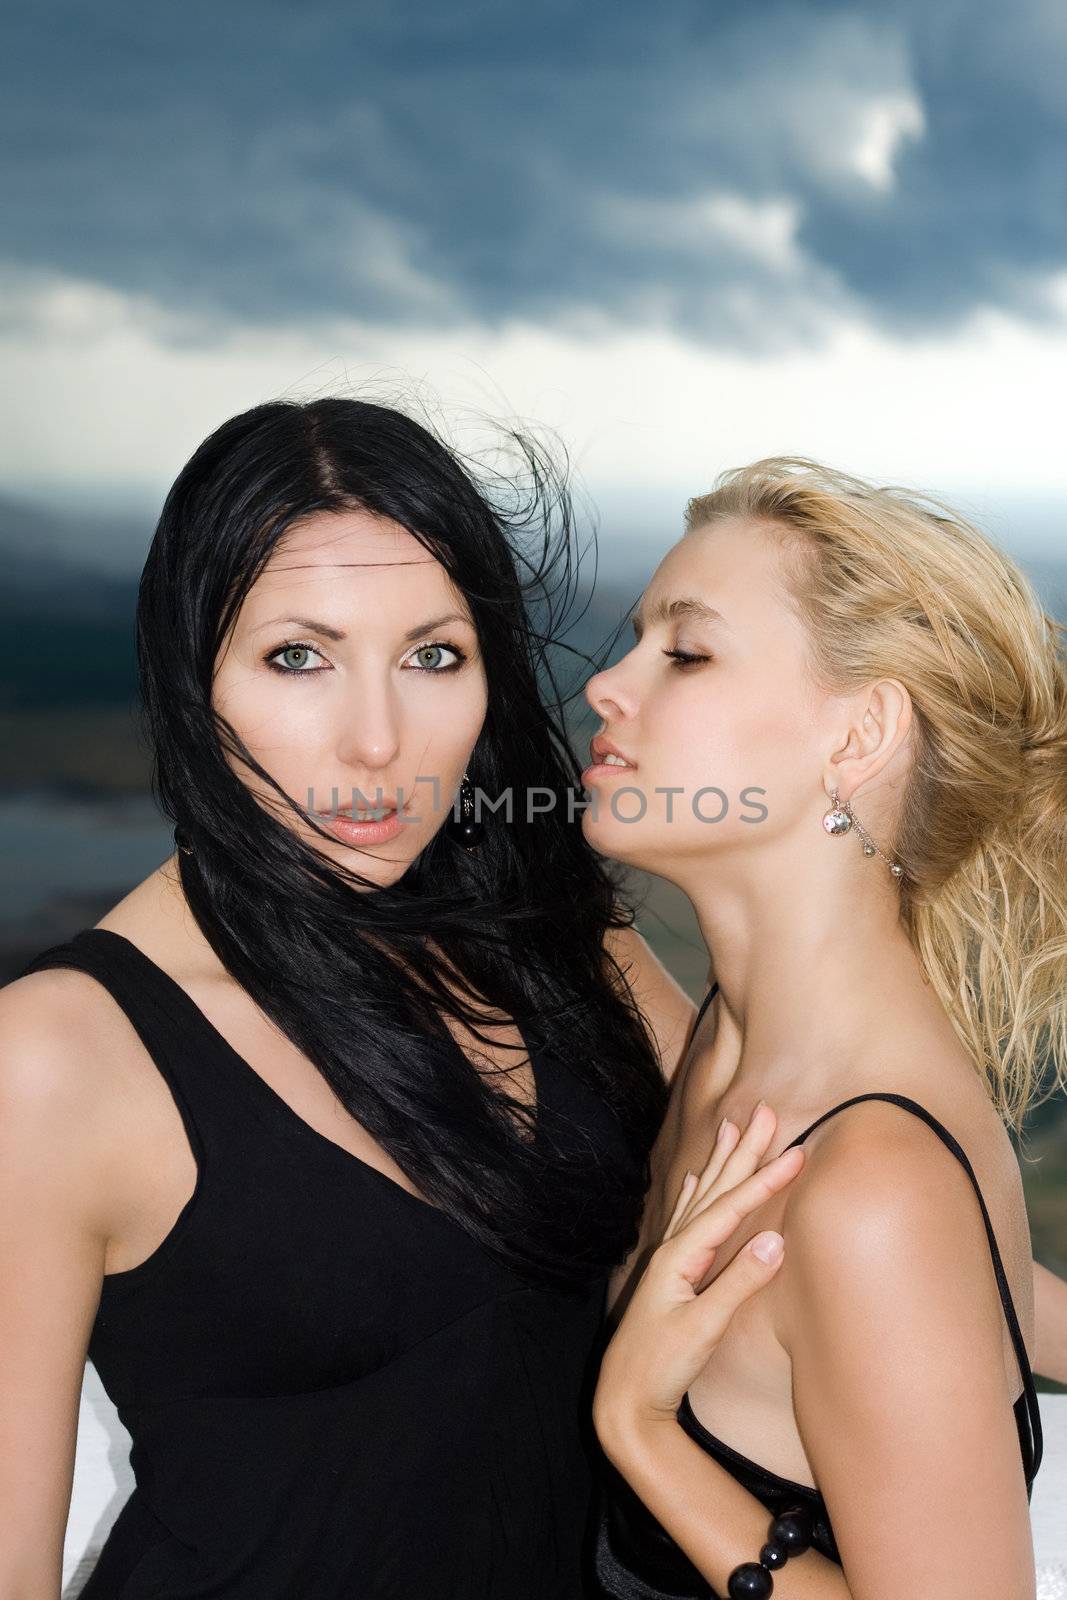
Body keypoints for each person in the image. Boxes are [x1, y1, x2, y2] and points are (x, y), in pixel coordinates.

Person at [0, 396, 712, 1600]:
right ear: (191, 673)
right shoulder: (58, 1057)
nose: (378, 740)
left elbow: (814, 1187)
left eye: (434, 656)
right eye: (299, 657)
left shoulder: (562, 946)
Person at [584, 457, 1067, 1597]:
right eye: (635, 639)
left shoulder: (868, 1185)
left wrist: (639, 1424)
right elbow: (969, 1292)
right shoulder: (728, 1038)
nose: (608, 684)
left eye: (684, 652)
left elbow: (887, 1251)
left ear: (855, 739)